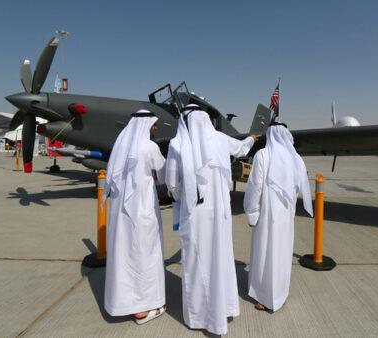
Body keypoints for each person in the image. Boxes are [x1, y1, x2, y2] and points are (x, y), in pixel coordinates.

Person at [165, 104, 258, 335]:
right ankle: (224, 308)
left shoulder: (177, 144)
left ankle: (203, 317)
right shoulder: (220, 139)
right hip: (221, 213)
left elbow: (172, 185)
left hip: (195, 213)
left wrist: (183, 197)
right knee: (221, 258)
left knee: (199, 262)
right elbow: (242, 149)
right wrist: (252, 139)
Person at [103, 109, 167, 324]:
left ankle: (123, 303)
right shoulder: (149, 147)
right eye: (154, 124)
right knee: (144, 254)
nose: (156, 128)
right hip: (141, 210)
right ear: (147, 125)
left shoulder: (122, 145)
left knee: (124, 255)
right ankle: (144, 308)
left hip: (120, 212)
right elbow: (164, 175)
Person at [243, 122, 313, 312]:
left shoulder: (263, 155)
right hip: (286, 215)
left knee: (266, 253)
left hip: (267, 214)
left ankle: (266, 298)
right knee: (281, 252)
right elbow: (298, 187)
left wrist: (252, 212)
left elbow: (255, 187)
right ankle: (280, 294)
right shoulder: (296, 158)